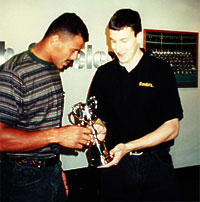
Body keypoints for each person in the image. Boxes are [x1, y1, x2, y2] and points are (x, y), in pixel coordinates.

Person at [0, 12, 105, 202]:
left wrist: (55, 167)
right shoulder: (14, 73)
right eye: (73, 50)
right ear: (55, 40)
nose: (75, 58)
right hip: (21, 180)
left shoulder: (52, 70)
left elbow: (40, 127)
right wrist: (57, 135)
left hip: (51, 173)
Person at [88, 9, 183, 201]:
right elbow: (97, 116)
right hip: (116, 165)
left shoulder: (160, 71)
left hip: (155, 163)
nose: (117, 48)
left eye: (124, 41)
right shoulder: (104, 74)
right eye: (113, 41)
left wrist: (128, 147)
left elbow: (172, 128)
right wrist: (98, 127)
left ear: (139, 36)